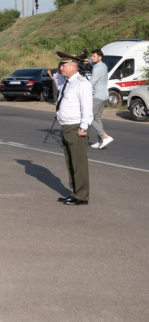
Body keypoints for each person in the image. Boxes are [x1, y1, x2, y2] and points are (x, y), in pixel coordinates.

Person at [52, 55, 93, 206]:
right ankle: (75, 192)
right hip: (67, 126)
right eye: (61, 65)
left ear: (73, 67)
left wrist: (84, 127)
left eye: (64, 65)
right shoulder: (68, 82)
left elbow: (87, 106)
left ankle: (81, 196)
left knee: (78, 163)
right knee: (70, 162)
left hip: (76, 127)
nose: (61, 67)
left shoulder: (82, 83)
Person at [89, 49, 113, 149]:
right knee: (97, 117)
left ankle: (104, 136)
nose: (92, 58)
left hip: (97, 96)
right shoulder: (103, 65)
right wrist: (86, 60)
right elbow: (92, 62)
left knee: (89, 117)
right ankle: (101, 141)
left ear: (100, 57)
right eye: (91, 56)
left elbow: (91, 82)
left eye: (94, 56)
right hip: (104, 96)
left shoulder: (97, 69)